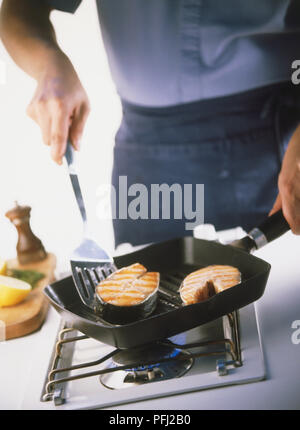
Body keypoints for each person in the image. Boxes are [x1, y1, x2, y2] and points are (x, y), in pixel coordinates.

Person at [1, 0, 300, 247]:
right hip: (148, 154)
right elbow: (20, 9)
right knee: (147, 301)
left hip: (280, 141)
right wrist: (49, 65)